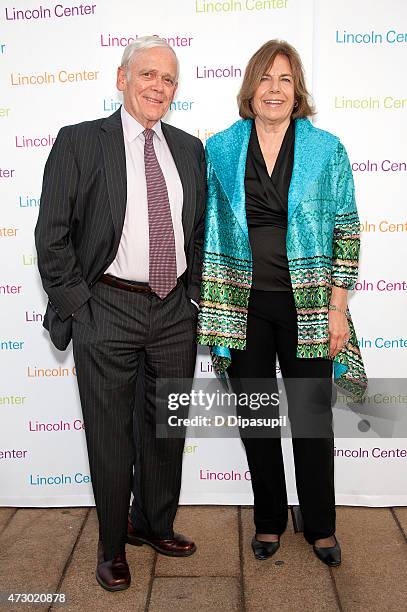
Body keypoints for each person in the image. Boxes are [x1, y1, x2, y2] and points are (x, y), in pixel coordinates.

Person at [35, 36, 205, 591]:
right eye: (148, 75)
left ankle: (152, 524)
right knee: (110, 437)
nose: (159, 87)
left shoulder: (188, 149)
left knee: (166, 430)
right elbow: (52, 237)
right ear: (122, 78)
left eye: (169, 80)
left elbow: (197, 232)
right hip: (105, 306)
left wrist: (194, 300)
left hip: (173, 310)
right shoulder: (80, 142)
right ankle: (112, 547)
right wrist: (81, 309)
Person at [197, 40, 366, 567]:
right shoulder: (220, 148)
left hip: (310, 306)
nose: (274, 89)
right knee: (257, 418)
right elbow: (204, 228)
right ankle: (268, 518)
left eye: (285, 80)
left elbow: (347, 228)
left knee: (313, 419)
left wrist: (337, 308)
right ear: (251, 88)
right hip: (241, 303)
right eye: (266, 78)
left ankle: (320, 524)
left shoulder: (326, 148)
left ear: (298, 93)